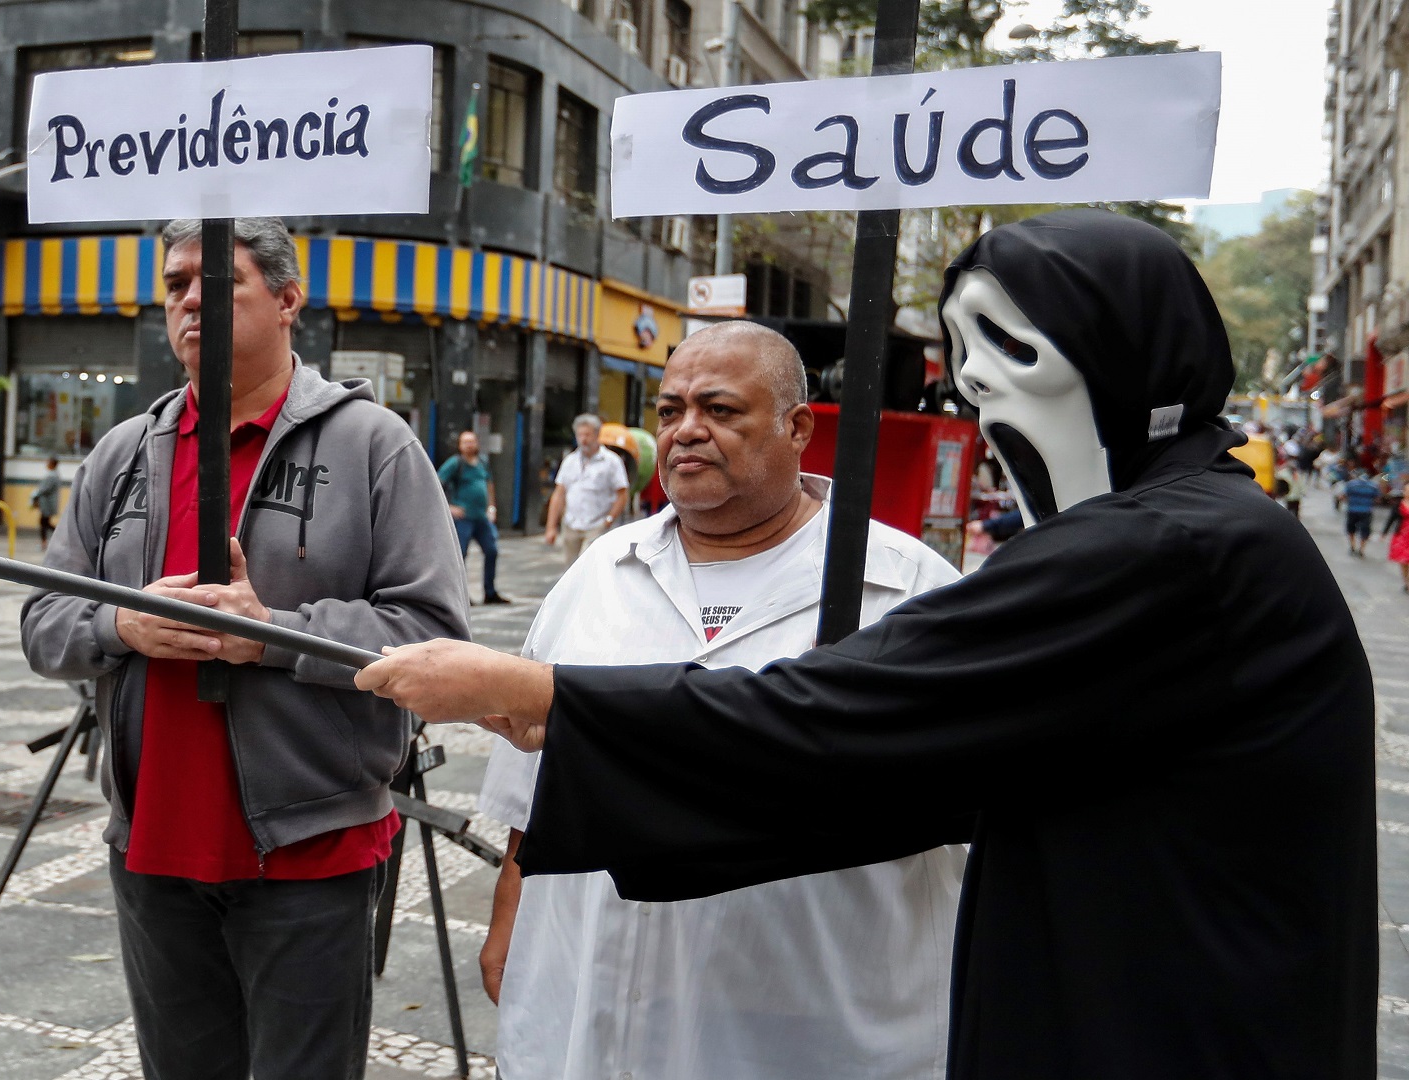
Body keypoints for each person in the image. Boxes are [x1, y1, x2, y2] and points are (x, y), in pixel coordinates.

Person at [357, 210, 1376, 1080]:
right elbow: (888, 770)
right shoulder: (1187, 536)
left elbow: (848, 718)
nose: (982, 391)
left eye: (1013, 348)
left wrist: (549, 700)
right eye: (965, 357)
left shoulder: (1170, 548)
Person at [19, 216, 469, 1080]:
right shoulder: (122, 454)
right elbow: (45, 623)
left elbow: (435, 638)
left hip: (312, 851)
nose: (190, 301)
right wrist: (124, 625)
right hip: (150, 850)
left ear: (289, 299)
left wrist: (270, 637)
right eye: (175, 285)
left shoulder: (374, 445)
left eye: (215, 282)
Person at [479, 321, 964, 1080]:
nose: (686, 432)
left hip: (813, 1018)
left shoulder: (910, 591)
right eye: (669, 411)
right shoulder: (601, 571)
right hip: (591, 1004)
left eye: (721, 409)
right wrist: (509, 910)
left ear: (796, 426)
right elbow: (530, 785)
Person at [543, 413, 628, 565]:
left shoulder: (611, 461)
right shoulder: (570, 461)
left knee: (587, 566)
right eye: (580, 435)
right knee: (570, 571)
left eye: (587, 435)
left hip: (597, 525)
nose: (583, 439)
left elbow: (622, 494)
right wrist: (551, 527)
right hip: (571, 524)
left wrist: (609, 520)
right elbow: (559, 494)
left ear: (596, 435)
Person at [439, 430, 508, 605]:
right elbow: (436, 483)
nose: (469, 445)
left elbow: (489, 484)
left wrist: (491, 507)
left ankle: (490, 592)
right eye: (465, 442)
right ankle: (460, 596)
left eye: (472, 442)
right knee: (460, 555)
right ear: (460, 446)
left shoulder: (483, 462)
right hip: (463, 518)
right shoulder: (455, 463)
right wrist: (449, 507)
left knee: (492, 550)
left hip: (481, 518)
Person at [1343, 468, 1380, 556]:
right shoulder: (1373, 486)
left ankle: (1352, 545)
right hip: (1366, 511)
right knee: (1365, 530)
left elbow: (1344, 496)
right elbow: (1377, 499)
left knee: (1351, 528)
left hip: (1352, 509)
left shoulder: (1350, 485)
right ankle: (1362, 549)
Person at [32, 456, 63, 550]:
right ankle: (55, 539)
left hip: (47, 504)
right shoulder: (54, 474)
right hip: (48, 503)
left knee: (44, 523)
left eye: (48, 462)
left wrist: (35, 494)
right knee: (45, 523)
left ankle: (45, 542)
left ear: (52, 464)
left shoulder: (51, 476)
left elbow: (45, 489)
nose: (46, 464)